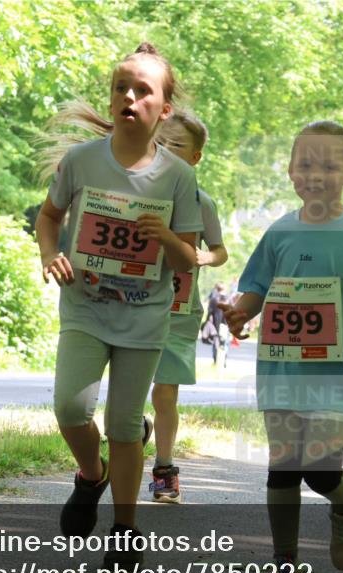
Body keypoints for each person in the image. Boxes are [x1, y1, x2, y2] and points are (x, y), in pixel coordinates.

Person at [220, 121, 343, 573]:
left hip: (337, 376)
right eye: (306, 164)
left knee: (320, 470)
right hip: (282, 370)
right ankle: (285, 569)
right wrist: (241, 313)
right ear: (290, 172)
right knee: (283, 466)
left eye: (328, 165)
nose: (316, 174)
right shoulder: (280, 232)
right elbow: (257, 287)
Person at [35, 43, 201, 568]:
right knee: (70, 407)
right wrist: (49, 256)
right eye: (120, 87)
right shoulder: (83, 161)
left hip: (144, 317)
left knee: (127, 425)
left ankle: (126, 529)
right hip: (85, 306)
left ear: (164, 109)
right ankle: (91, 475)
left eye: (142, 90)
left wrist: (165, 237)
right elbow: (49, 218)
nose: (128, 96)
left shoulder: (178, 177)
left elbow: (190, 258)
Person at [147, 111, 228, 504]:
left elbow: (220, 251)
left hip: (178, 311)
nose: (164, 150)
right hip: (131, 305)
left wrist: (203, 258)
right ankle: (134, 432)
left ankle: (164, 469)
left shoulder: (203, 203)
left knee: (165, 394)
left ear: (196, 157)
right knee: (127, 395)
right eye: (159, 141)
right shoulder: (136, 191)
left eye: (175, 145)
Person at [206, 282, 230, 366]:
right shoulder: (228, 299)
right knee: (225, 342)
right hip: (226, 324)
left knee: (215, 342)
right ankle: (224, 361)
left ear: (216, 289)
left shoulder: (214, 299)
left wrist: (206, 322)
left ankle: (215, 360)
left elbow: (209, 312)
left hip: (215, 324)